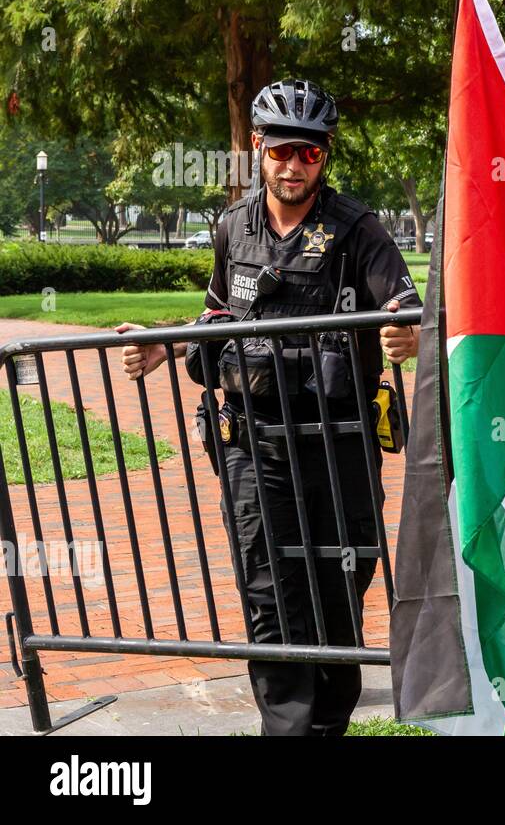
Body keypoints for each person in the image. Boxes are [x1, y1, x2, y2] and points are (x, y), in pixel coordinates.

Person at [116, 78, 421, 735]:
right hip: (253, 450)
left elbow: (401, 301)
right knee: (269, 599)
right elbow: (219, 317)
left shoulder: (357, 230)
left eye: (307, 154)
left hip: (339, 451)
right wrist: (164, 345)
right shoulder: (233, 228)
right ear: (258, 148)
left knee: (338, 604)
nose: (292, 165)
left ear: (325, 155)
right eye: (281, 151)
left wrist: (404, 327)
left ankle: (324, 724)